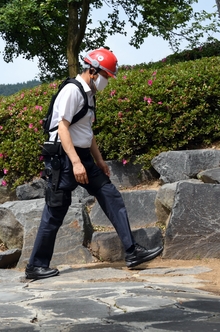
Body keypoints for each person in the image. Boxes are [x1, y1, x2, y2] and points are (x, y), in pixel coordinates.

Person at [25, 47, 163, 280]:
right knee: (55, 211)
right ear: (92, 70)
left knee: (111, 195)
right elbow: (63, 128)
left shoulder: (89, 94)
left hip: (83, 157)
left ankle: (132, 252)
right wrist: (76, 163)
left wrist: (98, 161)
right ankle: (36, 266)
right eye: (106, 75)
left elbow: (87, 132)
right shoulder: (72, 91)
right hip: (64, 159)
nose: (108, 80)